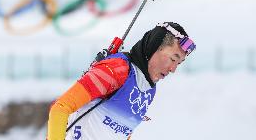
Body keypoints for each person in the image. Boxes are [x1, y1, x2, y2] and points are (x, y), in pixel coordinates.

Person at [47, 22, 196, 140]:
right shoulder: (116, 69)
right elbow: (60, 108)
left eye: (179, 63)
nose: (173, 69)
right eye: (173, 59)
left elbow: (122, 133)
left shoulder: (149, 89)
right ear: (155, 47)